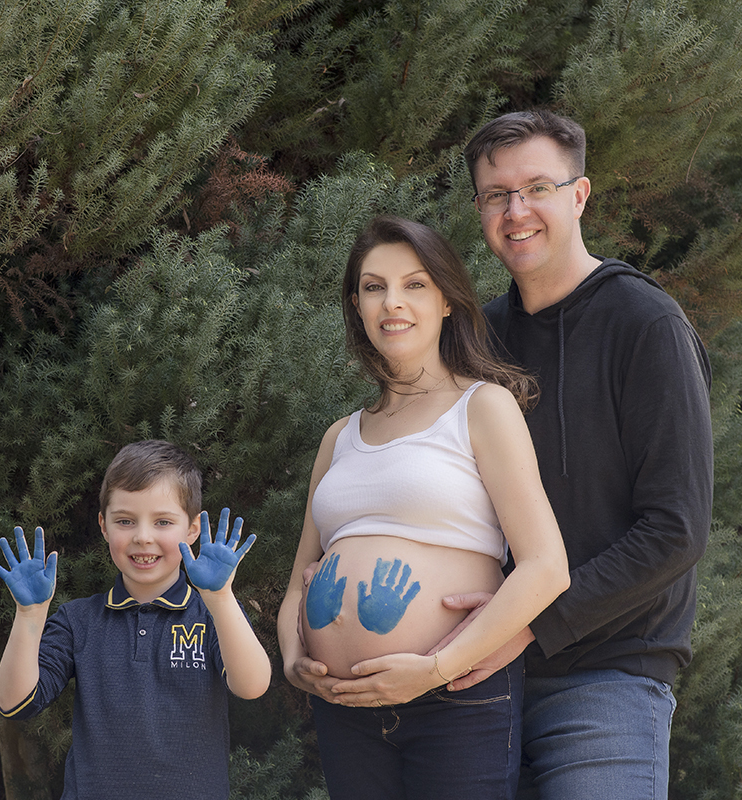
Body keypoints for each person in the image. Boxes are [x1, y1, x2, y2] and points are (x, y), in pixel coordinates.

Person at [430, 109, 714, 799]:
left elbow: (675, 530)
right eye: (497, 195)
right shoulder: (476, 341)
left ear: (579, 195)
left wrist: (528, 623)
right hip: (479, 680)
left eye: (537, 188)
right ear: (479, 209)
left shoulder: (645, 325)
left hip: (607, 679)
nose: (516, 210)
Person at [277, 215, 571, 800]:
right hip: (346, 708)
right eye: (373, 286)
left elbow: (546, 567)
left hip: (453, 697)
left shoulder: (482, 407)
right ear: (357, 307)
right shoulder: (340, 437)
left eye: (414, 284)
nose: (393, 302)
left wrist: (435, 668)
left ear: (445, 302)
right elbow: (293, 590)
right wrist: (293, 660)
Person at [0, 439, 271, 800]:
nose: (142, 537)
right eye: (125, 521)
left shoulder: (213, 614)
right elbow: (16, 703)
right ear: (104, 526)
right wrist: (29, 615)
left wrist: (220, 597)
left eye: (163, 521)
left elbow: (252, 685)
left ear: (193, 529)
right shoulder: (77, 621)